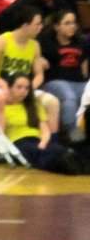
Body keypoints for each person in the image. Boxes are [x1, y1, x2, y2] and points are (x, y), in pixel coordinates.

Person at [0, 6, 60, 136]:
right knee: (0, 99)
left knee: (52, 102)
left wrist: (29, 89)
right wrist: (2, 84)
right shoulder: (3, 40)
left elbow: (39, 75)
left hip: (23, 88)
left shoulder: (35, 46)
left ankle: (52, 142)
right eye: (37, 24)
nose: (41, 27)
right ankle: (0, 143)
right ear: (25, 25)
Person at [1, 73, 87, 174]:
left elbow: (45, 130)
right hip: (17, 142)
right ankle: (70, 166)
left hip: (37, 139)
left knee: (58, 149)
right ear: (9, 88)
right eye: (19, 87)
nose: (23, 91)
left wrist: (43, 143)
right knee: (40, 153)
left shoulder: (34, 106)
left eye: (26, 88)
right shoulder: (2, 108)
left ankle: (74, 165)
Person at [39, 9, 89, 142]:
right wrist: (39, 58)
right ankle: (73, 134)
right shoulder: (46, 42)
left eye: (73, 23)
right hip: (55, 82)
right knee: (68, 95)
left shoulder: (81, 42)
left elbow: (85, 63)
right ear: (57, 26)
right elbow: (35, 54)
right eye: (67, 23)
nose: (72, 26)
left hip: (78, 82)